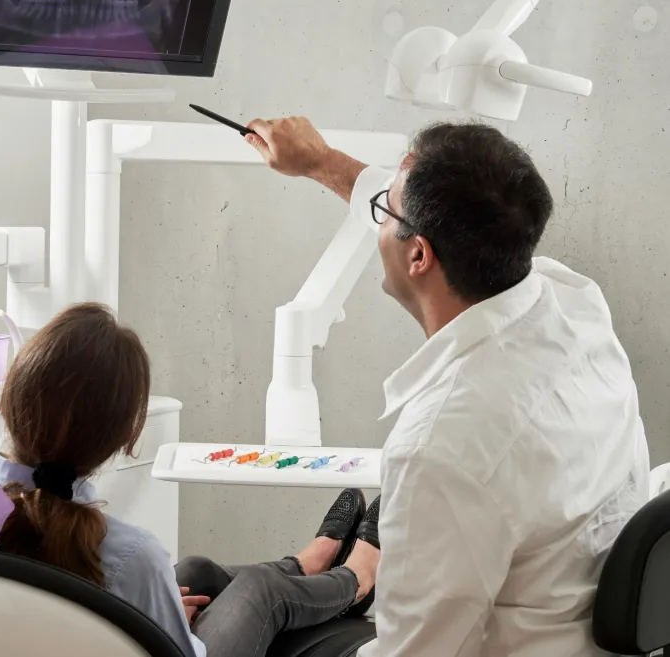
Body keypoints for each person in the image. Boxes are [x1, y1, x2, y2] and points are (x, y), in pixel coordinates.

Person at [243, 116, 651, 657]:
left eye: (385, 209)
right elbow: (433, 216)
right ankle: (349, 577)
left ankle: (345, 578)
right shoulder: (574, 301)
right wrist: (319, 162)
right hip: (565, 625)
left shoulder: (441, 447)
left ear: (419, 256)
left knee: (249, 607)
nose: (378, 216)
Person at [0, 302, 383, 657]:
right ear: (124, 440)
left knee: (194, 571)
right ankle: (356, 581)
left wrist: (158, 613)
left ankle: (302, 567)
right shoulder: (132, 556)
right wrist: (171, 629)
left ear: (9, 393)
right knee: (260, 588)